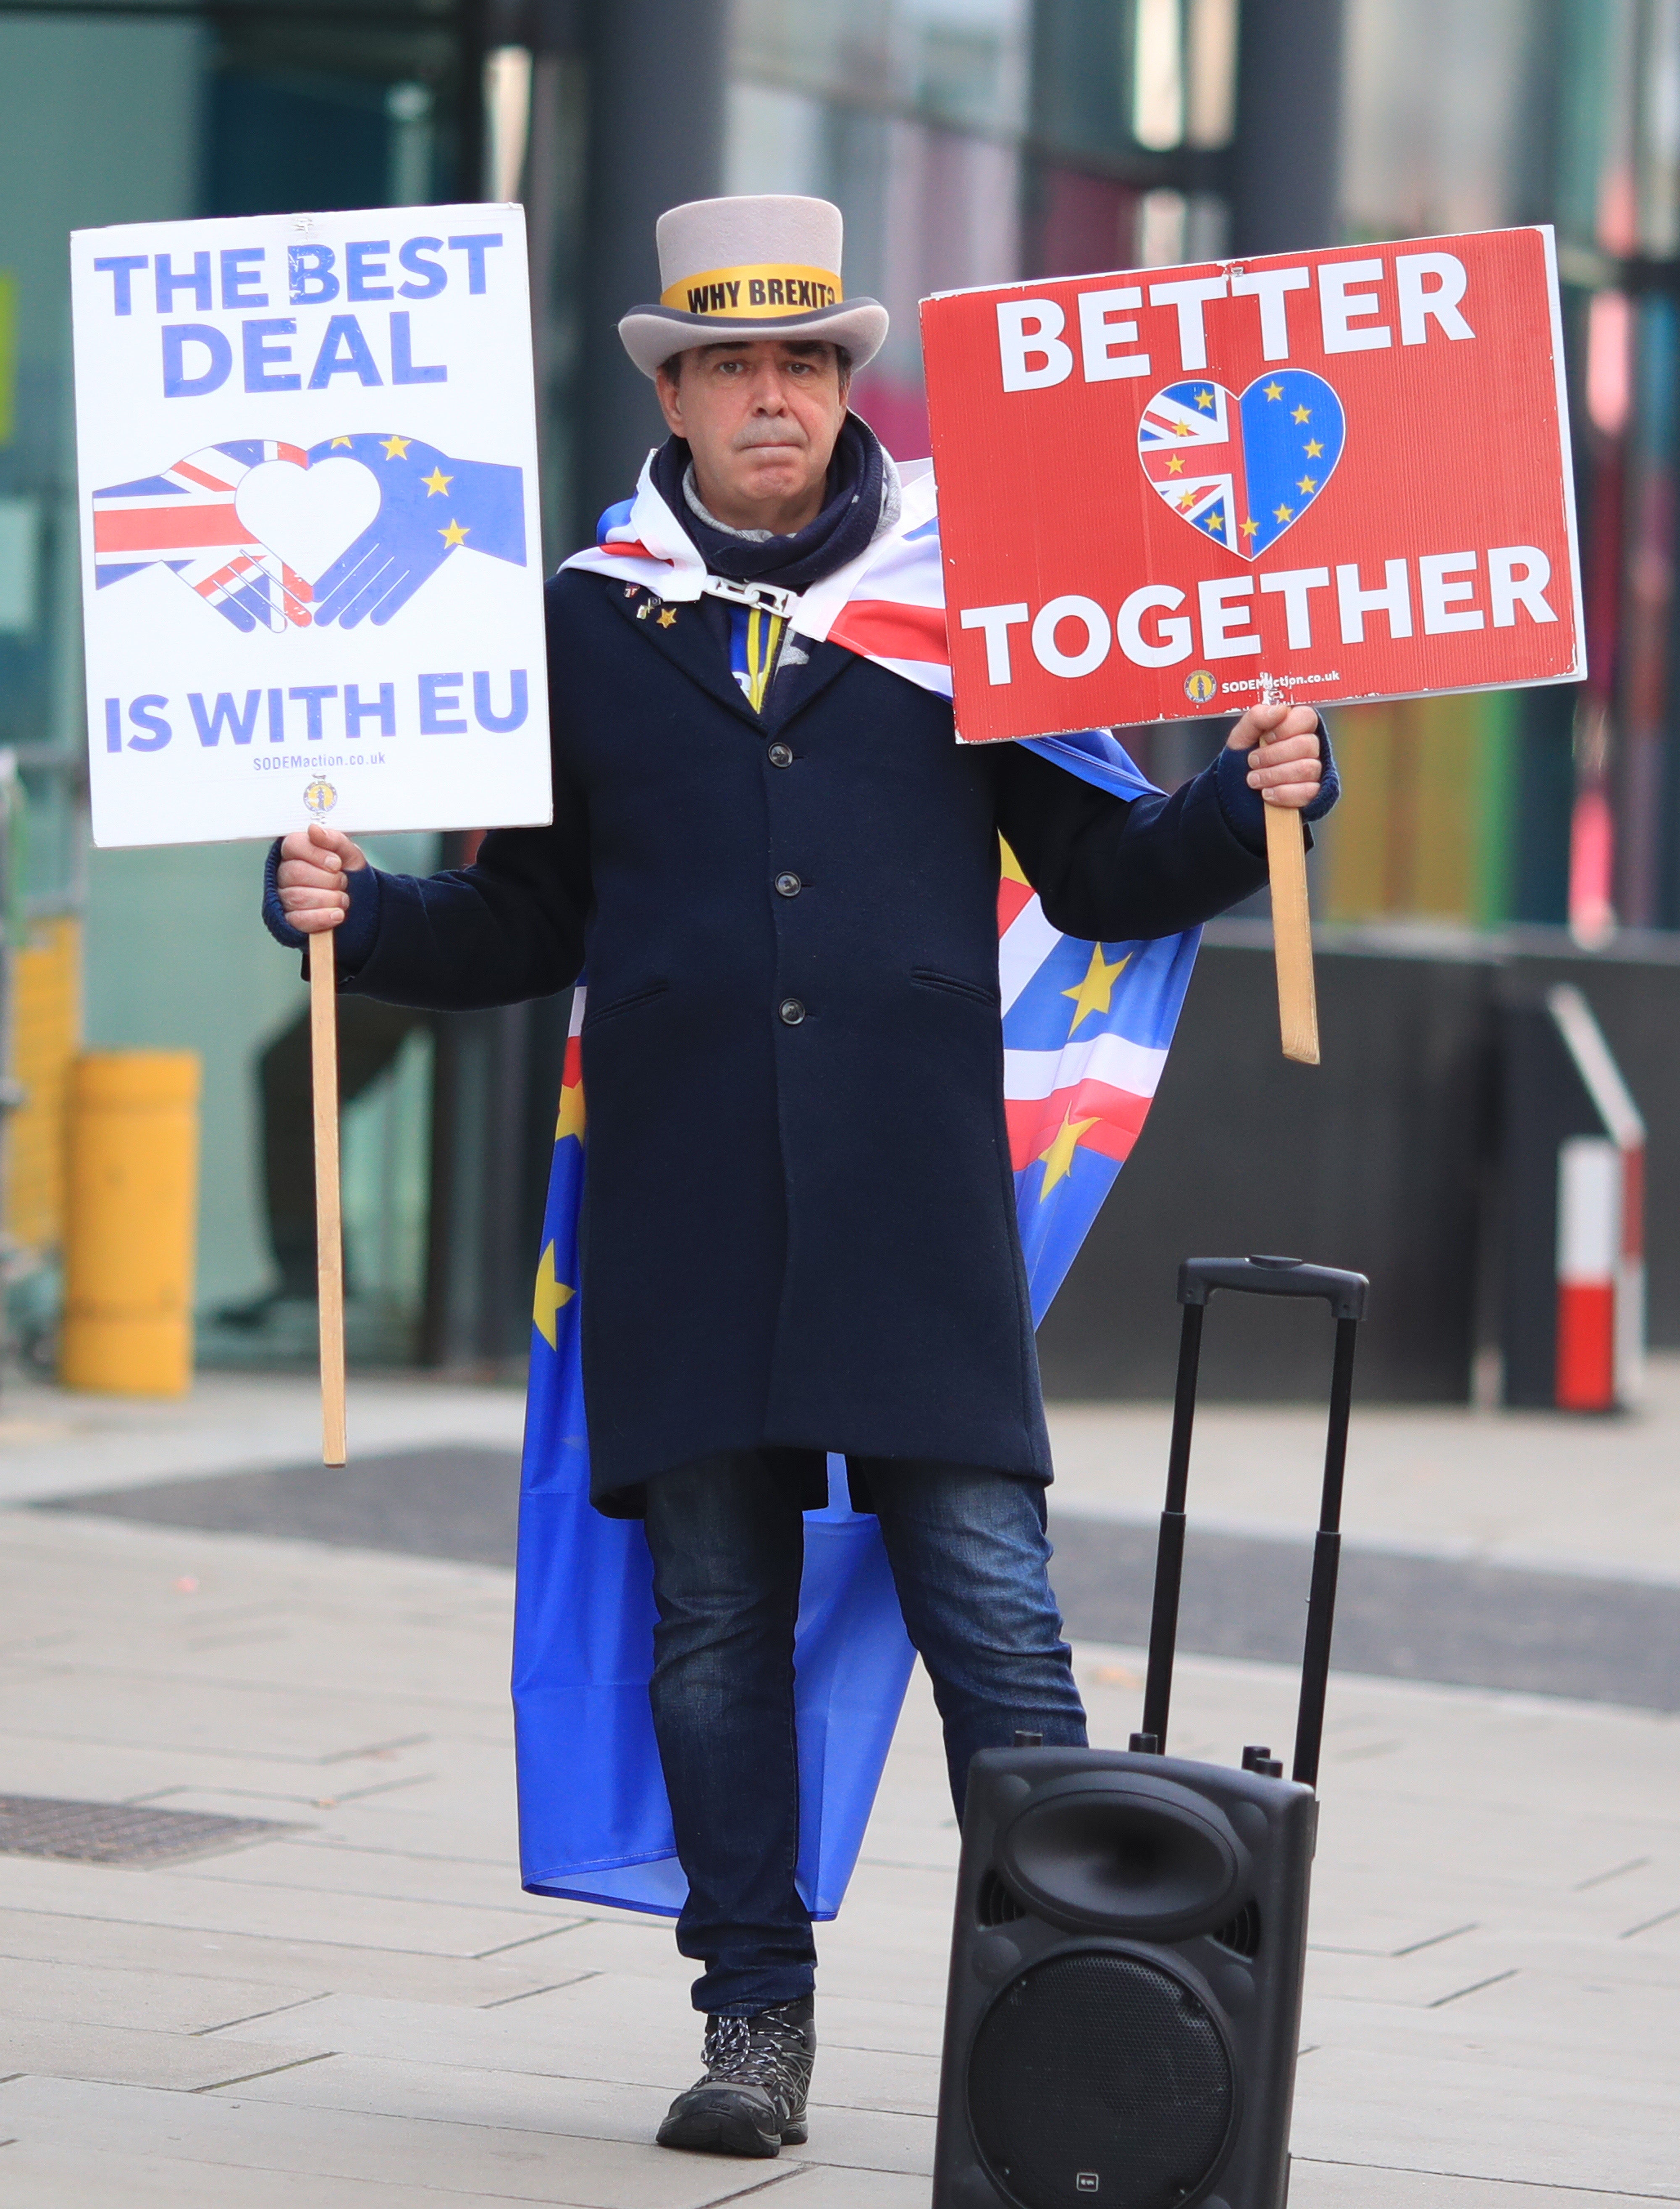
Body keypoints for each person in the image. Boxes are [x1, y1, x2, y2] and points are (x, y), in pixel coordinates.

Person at [264, 195, 1334, 2162]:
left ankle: (1083, 2014)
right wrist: (355, 915)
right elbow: (527, 919)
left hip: (913, 1203)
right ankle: (753, 2017)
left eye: (813, 363)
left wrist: (1253, 796)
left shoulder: (968, 593)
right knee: (713, 1628)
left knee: (993, 1614)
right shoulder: (574, 621)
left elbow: (1095, 878)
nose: (780, 396)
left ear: (851, 384)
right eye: (738, 365)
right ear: (671, 388)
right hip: (677, 1206)